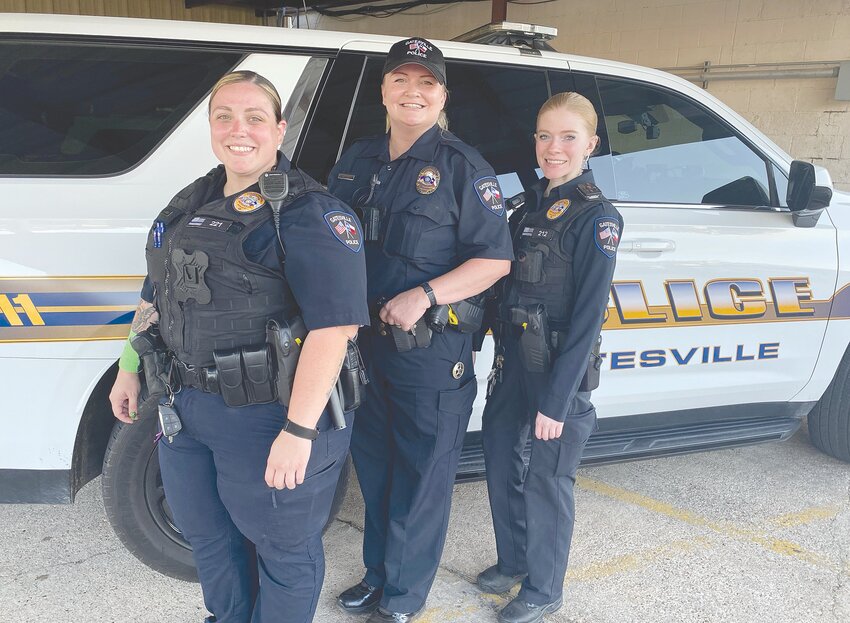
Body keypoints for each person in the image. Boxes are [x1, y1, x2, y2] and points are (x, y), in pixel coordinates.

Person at [108, 70, 369, 623]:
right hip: (185, 409)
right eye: (224, 116)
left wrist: (299, 432)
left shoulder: (309, 213)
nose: (237, 129)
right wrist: (129, 366)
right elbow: (156, 292)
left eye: (254, 117)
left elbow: (334, 329)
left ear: (279, 128)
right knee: (209, 539)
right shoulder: (187, 204)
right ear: (210, 126)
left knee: (283, 550)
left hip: (269, 417)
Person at [328, 38, 513, 623]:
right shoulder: (355, 162)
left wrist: (425, 294)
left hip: (432, 352)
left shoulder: (464, 168)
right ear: (383, 90)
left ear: (442, 95)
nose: (414, 92)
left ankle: (403, 599)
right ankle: (377, 575)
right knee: (377, 470)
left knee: (421, 477)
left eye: (427, 82)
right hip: (365, 349)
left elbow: (495, 261)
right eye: (402, 80)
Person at [476, 92, 623, 623]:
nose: (553, 148)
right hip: (515, 362)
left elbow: (587, 318)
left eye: (566, 137)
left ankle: (544, 587)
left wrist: (557, 403)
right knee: (498, 454)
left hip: (560, 370)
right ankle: (514, 558)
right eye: (544, 136)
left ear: (590, 144)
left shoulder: (598, 218)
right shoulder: (526, 207)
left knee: (547, 478)